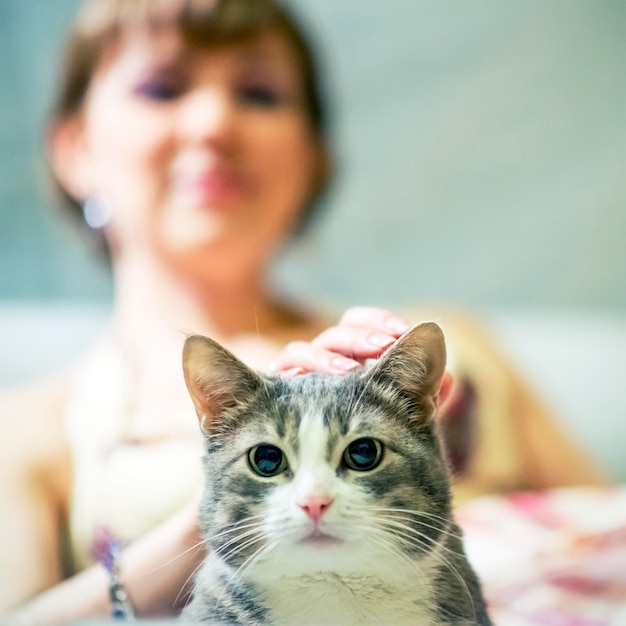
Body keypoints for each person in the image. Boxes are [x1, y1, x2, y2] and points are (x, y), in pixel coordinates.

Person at [0, 0, 606, 623]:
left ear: (312, 157)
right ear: (76, 148)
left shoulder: (456, 343)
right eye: (164, 87)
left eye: (259, 94)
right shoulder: (30, 428)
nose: (214, 123)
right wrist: (201, 529)